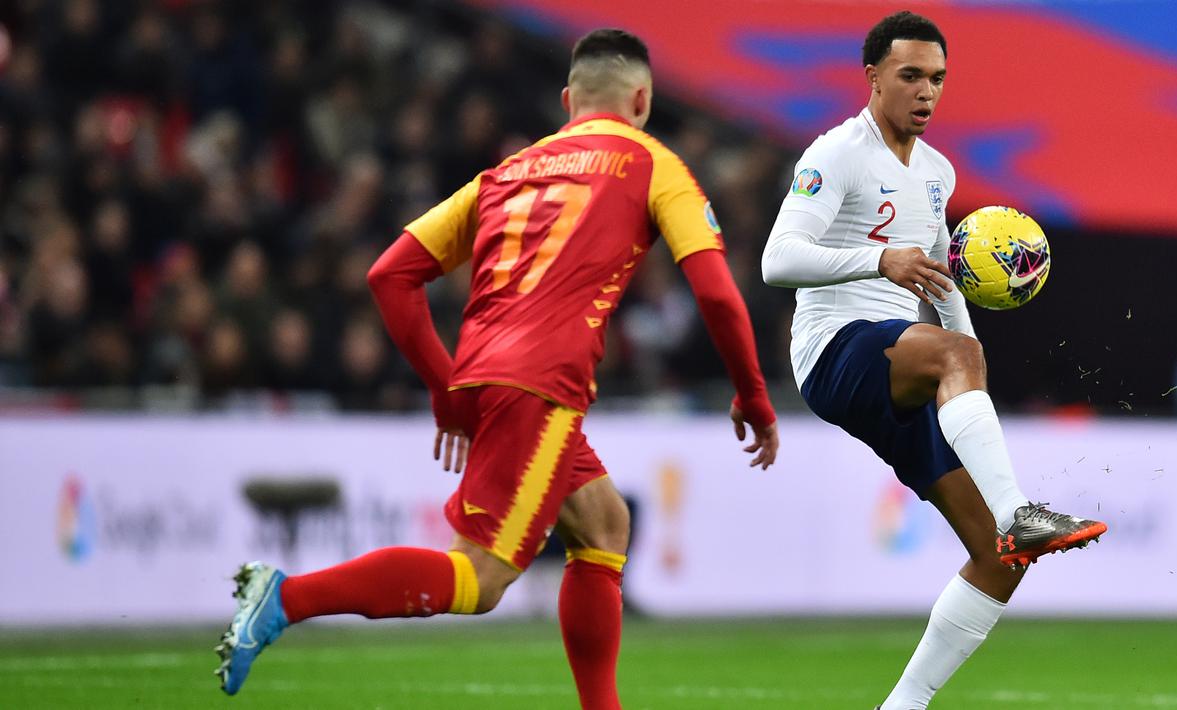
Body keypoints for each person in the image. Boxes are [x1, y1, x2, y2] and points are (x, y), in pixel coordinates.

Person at [214, 29, 780, 708]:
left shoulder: (508, 171)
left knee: (602, 526)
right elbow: (716, 291)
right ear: (642, 100)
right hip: (542, 383)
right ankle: (285, 598)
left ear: (568, 99)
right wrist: (751, 392)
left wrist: (444, 385)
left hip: (489, 371)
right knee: (478, 580)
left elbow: (390, 274)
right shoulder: (654, 163)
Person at [760, 12, 1105, 709]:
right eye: (910, 75)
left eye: (937, 79)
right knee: (956, 366)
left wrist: (965, 368)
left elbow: (941, 284)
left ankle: (903, 705)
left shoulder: (938, 173)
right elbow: (776, 261)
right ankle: (1018, 510)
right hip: (833, 352)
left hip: (900, 360)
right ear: (873, 78)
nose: (925, 91)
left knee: (999, 561)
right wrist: (878, 259)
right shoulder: (835, 154)